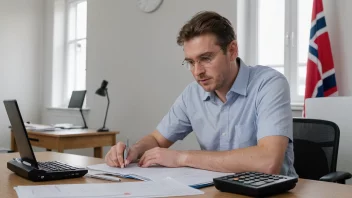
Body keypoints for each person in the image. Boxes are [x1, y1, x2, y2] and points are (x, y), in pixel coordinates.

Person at [105, 11, 297, 177]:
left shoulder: (269, 83)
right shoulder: (192, 94)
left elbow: (268, 161)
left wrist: (182, 157)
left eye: (205, 58)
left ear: (232, 51)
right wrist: (133, 151)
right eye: (190, 62)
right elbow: (156, 139)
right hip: (217, 190)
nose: (197, 72)